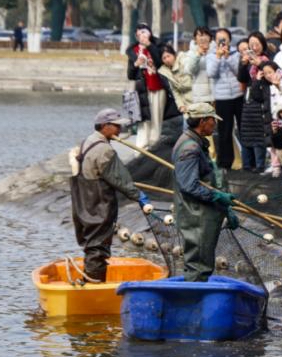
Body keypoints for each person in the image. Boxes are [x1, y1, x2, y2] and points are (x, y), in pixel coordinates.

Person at [69, 109, 148, 283]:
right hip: (98, 202)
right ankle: (94, 286)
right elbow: (121, 179)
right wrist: (139, 197)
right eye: (117, 126)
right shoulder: (105, 150)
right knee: (98, 246)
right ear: (105, 126)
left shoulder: (88, 141)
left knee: (91, 243)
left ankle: (89, 280)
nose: (120, 130)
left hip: (83, 201)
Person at [172, 103, 238, 282]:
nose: (215, 125)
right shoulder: (190, 148)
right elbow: (189, 185)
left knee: (203, 263)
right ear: (202, 121)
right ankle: (193, 305)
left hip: (203, 213)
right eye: (212, 121)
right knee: (198, 266)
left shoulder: (197, 142)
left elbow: (208, 178)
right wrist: (217, 196)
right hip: (196, 216)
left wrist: (225, 208)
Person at [206, 28, 244, 170]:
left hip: (238, 95)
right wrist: (218, 57)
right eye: (219, 39)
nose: (222, 42)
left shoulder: (235, 53)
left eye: (225, 39)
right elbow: (211, 73)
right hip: (222, 98)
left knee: (243, 128)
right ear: (215, 41)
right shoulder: (211, 55)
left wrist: (228, 58)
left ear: (229, 40)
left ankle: (247, 160)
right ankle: (225, 163)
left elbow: (238, 72)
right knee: (225, 130)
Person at [236, 32, 272, 174]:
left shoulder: (267, 60)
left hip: (260, 102)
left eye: (257, 44)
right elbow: (242, 79)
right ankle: (247, 165)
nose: (254, 47)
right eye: (251, 45)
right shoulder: (248, 62)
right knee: (246, 133)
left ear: (263, 44)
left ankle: (259, 165)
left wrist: (260, 65)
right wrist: (242, 64)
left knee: (258, 135)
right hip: (248, 101)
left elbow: (267, 80)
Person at [126, 24, 166, 149]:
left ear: (149, 33)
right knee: (143, 121)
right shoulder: (134, 51)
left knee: (156, 119)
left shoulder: (158, 46)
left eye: (143, 32)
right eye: (138, 34)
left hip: (158, 88)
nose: (141, 36)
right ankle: (140, 148)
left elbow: (161, 63)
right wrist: (136, 64)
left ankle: (154, 146)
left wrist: (149, 45)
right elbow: (130, 75)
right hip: (142, 89)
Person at [158, 44, 193, 113]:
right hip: (185, 105)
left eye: (168, 56)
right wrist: (180, 106)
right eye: (164, 58)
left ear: (174, 54)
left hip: (197, 98)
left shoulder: (183, 62)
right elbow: (175, 91)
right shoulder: (166, 72)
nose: (167, 60)